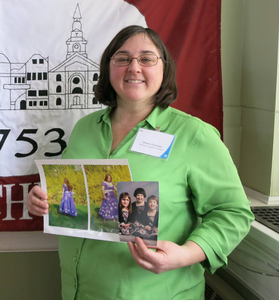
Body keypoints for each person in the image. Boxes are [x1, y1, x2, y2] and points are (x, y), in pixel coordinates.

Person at [27, 25, 254, 300]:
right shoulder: (85, 128)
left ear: (164, 69)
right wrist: (44, 198)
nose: (134, 67)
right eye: (122, 58)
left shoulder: (195, 136)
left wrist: (185, 254)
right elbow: (76, 192)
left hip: (154, 291)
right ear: (109, 68)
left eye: (146, 58)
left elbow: (233, 213)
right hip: (78, 290)